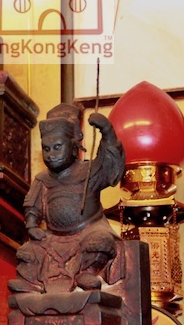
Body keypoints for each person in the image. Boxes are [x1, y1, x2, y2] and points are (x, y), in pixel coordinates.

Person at [8, 103, 125, 293]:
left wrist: (107, 132)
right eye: (46, 149)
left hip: (88, 229)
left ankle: (88, 272)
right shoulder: (42, 179)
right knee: (28, 251)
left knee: (100, 242)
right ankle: (31, 282)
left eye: (57, 147)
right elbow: (32, 206)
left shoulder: (88, 171)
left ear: (73, 147)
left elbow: (109, 166)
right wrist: (32, 226)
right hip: (53, 236)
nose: (51, 155)